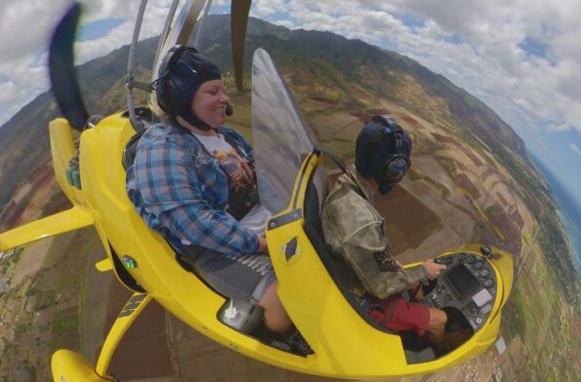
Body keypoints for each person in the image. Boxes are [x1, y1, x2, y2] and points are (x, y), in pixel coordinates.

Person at [126, 45, 309, 352]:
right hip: (217, 248)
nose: (224, 99)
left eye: (222, 91)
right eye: (213, 91)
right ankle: (292, 339)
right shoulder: (162, 149)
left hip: (265, 224)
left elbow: (264, 175)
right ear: (184, 98)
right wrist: (259, 244)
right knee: (282, 299)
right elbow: (192, 222)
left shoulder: (226, 137)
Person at [321, 115, 468, 347]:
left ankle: (414, 314)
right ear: (393, 169)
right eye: (403, 165)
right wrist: (423, 271)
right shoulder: (362, 221)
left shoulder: (348, 185)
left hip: (352, 276)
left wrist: (409, 272)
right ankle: (431, 345)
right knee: (441, 319)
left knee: (415, 286)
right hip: (363, 302)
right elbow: (381, 287)